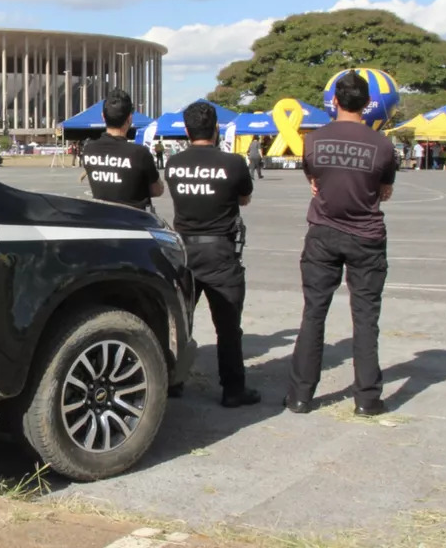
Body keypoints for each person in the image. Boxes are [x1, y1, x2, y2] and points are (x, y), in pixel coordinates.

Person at [284, 72, 396, 418]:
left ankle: (301, 396)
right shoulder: (383, 145)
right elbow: (385, 192)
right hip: (366, 235)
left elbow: (312, 178)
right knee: (365, 317)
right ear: (367, 104)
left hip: (323, 232)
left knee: (313, 313)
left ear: (334, 102)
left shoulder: (314, 139)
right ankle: (366, 398)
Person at [165, 101, 260, 407]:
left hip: (184, 250)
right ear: (216, 128)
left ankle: (173, 381)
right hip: (220, 249)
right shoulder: (233, 163)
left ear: (187, 130)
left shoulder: (173, 163)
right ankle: (233, 389)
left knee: (179, 321)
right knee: (228, 325)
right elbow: (245, 197)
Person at [81, 89, 163, 210]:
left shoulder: (89, 149)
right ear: (129, 118)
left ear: (103, 117)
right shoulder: (139, 153)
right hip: (133, 221)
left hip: (101, 220)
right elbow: (157, 190)